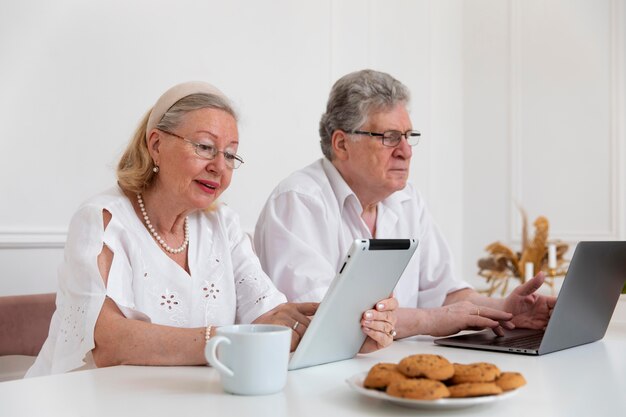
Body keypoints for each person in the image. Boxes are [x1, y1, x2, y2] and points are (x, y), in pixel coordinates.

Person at [26, 81, 397, 377]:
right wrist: (224, 341)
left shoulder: (223, 225)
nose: (220, 167)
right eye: (205, 147)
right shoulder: (102, 220)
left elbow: (270, 317)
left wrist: (347, 332)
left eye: (231, 154)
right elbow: (108, 343)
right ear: (155, 144)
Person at [254, 69, 556, 339]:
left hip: (399, 366)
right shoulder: (298, 202)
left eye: (409, 137)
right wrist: (427, 321)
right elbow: (321, 320)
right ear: (342, 144)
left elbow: (446, 294)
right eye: (389, 137)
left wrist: (506, 310)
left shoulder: (408, 200)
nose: (406, 151)